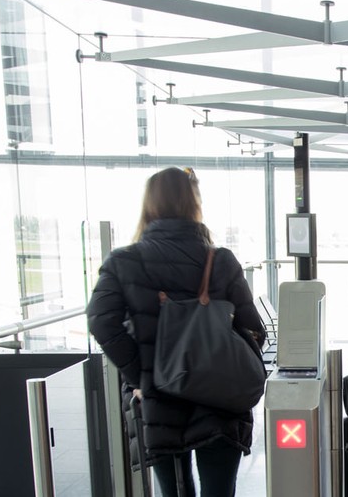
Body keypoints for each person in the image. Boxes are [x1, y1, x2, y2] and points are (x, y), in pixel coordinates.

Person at [87, 167, 267, 497]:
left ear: (149, 205)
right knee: (219, 491)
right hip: (221, 399)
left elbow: (101, 322)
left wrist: (145, 377)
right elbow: (254, 329)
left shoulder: (124, 261)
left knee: (173, 492)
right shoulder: (221, 260)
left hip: (160, 403)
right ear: (194, 203)